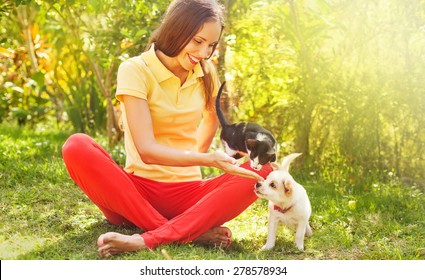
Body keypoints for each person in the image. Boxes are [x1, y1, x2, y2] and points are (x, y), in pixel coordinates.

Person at [62, 0, 272, 257]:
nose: (204, 52)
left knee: (265, 168)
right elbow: (146, 149)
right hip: (135, 195)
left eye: (211, 45)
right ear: (177, 29)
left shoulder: (206, 73)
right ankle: (182, 231)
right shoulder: (135, 69)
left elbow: (210, 119)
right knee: (76, 145)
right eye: (197, 41)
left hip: (188, 196)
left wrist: (196, 160)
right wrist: (207, 159)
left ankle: (148, 237)